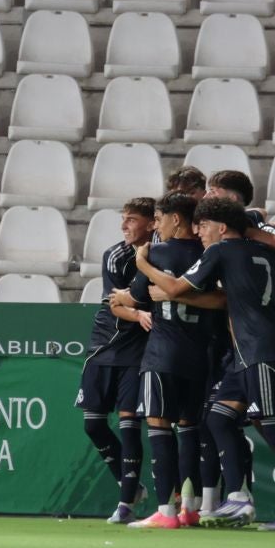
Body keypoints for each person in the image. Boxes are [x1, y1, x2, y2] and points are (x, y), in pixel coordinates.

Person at [138, 198, 275, 532]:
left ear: (222, 227)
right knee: (218, 417)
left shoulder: (220, 252)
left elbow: (176, 286)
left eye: (203, 226)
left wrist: (144, 264)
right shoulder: (263, 254)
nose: (198, 232)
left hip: (263, 350)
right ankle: (238, 496)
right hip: (247, 352)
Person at [198, 171, 275, 528]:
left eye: (212, 193)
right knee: (223, 417)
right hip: (249, 345)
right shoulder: (233, 239)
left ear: (229, 201)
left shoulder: (254, 229)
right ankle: (238, 499)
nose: (206, 198)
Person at [111, 194, 215, 530]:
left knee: (158, 425)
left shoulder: (156, 253)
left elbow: (137, 295)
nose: (156, 225)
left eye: (159, 218)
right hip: (200, 354)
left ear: (176, 219)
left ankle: (165, 511)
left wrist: (121, 296)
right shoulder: (207, 254)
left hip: (162, 353)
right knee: (189, 429)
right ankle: (191, 508)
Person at [78, 199, 155, 524]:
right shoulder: (115, 254)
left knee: (129, 426)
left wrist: (139, 309)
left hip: (137, 351)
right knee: (93, 424)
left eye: (132, 220)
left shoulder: (160, 256)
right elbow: (115, 303)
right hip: (104, 343)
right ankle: (131, 486)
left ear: (152, 224)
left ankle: (125, 504)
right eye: (123, 219)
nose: (124, 225)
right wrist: (137, 312)